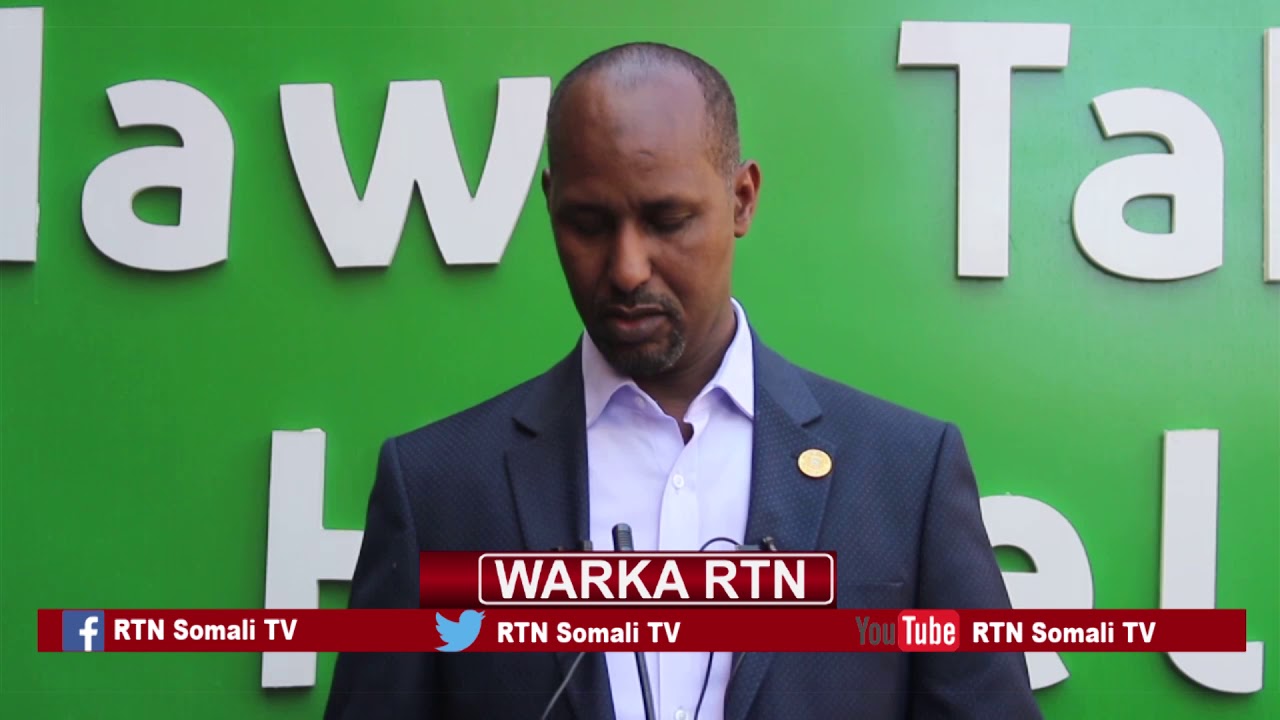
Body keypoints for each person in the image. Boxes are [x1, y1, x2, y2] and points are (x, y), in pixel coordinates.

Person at [325, 41, 1041, 720]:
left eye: (667, 220)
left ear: (742, 199)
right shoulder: (437, 490)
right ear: (549, 202)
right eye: (588, 224)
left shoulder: (906, 475)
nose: (627, 268)